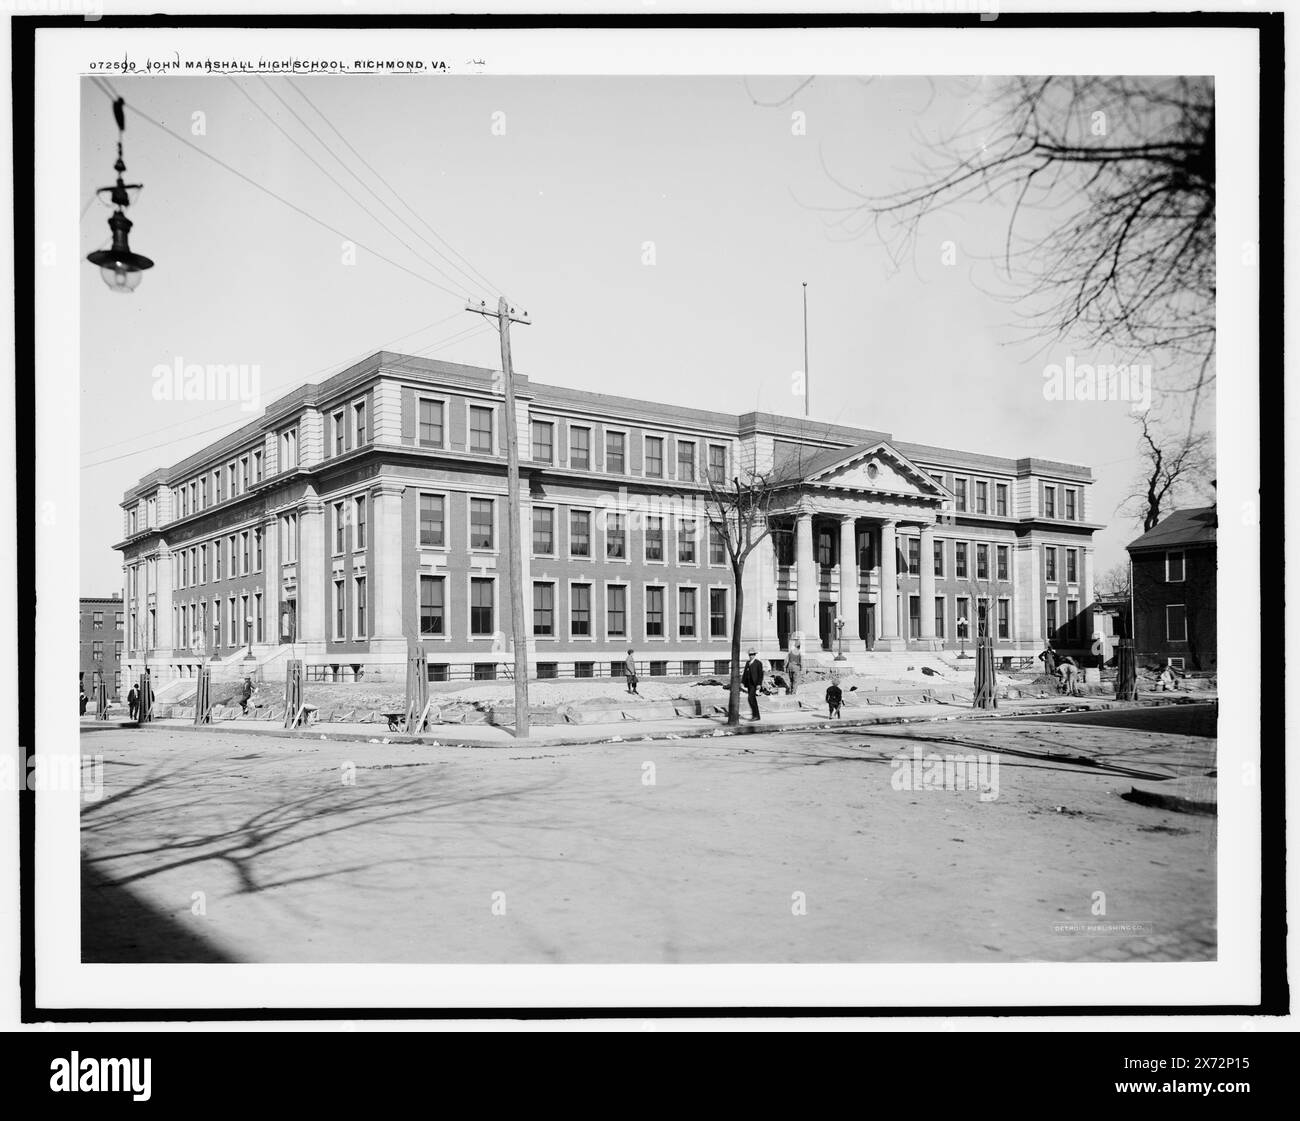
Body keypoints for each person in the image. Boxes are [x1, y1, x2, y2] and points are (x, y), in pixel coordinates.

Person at [741, 648, 764, 721]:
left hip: (755, 684)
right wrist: (742, 682)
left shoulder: (758, 663)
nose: (751, 656)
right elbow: (745, 673)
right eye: (750, 655)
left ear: (755, 655)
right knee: (752, 699)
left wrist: (759, 684)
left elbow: (760, 674)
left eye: (752, 655)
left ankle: (756, 715)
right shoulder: (748, 663)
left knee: (750, 698)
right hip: (749, 683)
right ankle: (756, 715)